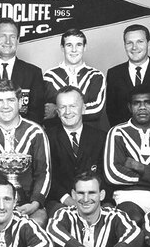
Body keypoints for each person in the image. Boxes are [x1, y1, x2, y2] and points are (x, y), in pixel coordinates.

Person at [0, 79, 51, 228]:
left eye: (11, 100)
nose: (5, 106)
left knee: (35, 226)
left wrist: (35, 203)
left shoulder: (36, 132)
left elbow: (44, 173)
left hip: (28, 204)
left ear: (20, 102)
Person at [104, 86, 150, 226]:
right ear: (130, 107)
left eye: (147, 102)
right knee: (134, 220)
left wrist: (139, 167)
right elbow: (112, 174)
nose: (142, 107)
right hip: (126, 196)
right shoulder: (117, 133)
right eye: (137, 103)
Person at [45, 86, 106, 216]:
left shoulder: (101, 137)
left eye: (73, 106)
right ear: (57, 111)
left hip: (95, 199)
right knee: (60, 217)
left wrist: (91, 199)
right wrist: (67, 199)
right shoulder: (47, 137)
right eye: (62, 107)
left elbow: (104, 174)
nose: (68, 112)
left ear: (83, 108)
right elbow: (46, 175)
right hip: (59, 200)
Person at [106, 24, 150, 131]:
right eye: (129, 43)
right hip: (124, 139)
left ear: (148, 44)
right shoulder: (114, 74)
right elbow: (111, 111)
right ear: (124, 45)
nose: (134, 47)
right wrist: (124, 135)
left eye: (140, 42)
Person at [43, 29, 106, 126]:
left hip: (87, 134)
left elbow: (96, 110)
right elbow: (46, 111)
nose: (74, 50)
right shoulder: (49, 76)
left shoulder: (95, 76)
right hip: (56, 136)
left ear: (85, 47)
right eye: (69, 45)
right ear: (62, 48)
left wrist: (56, 110)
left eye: (79, 45)